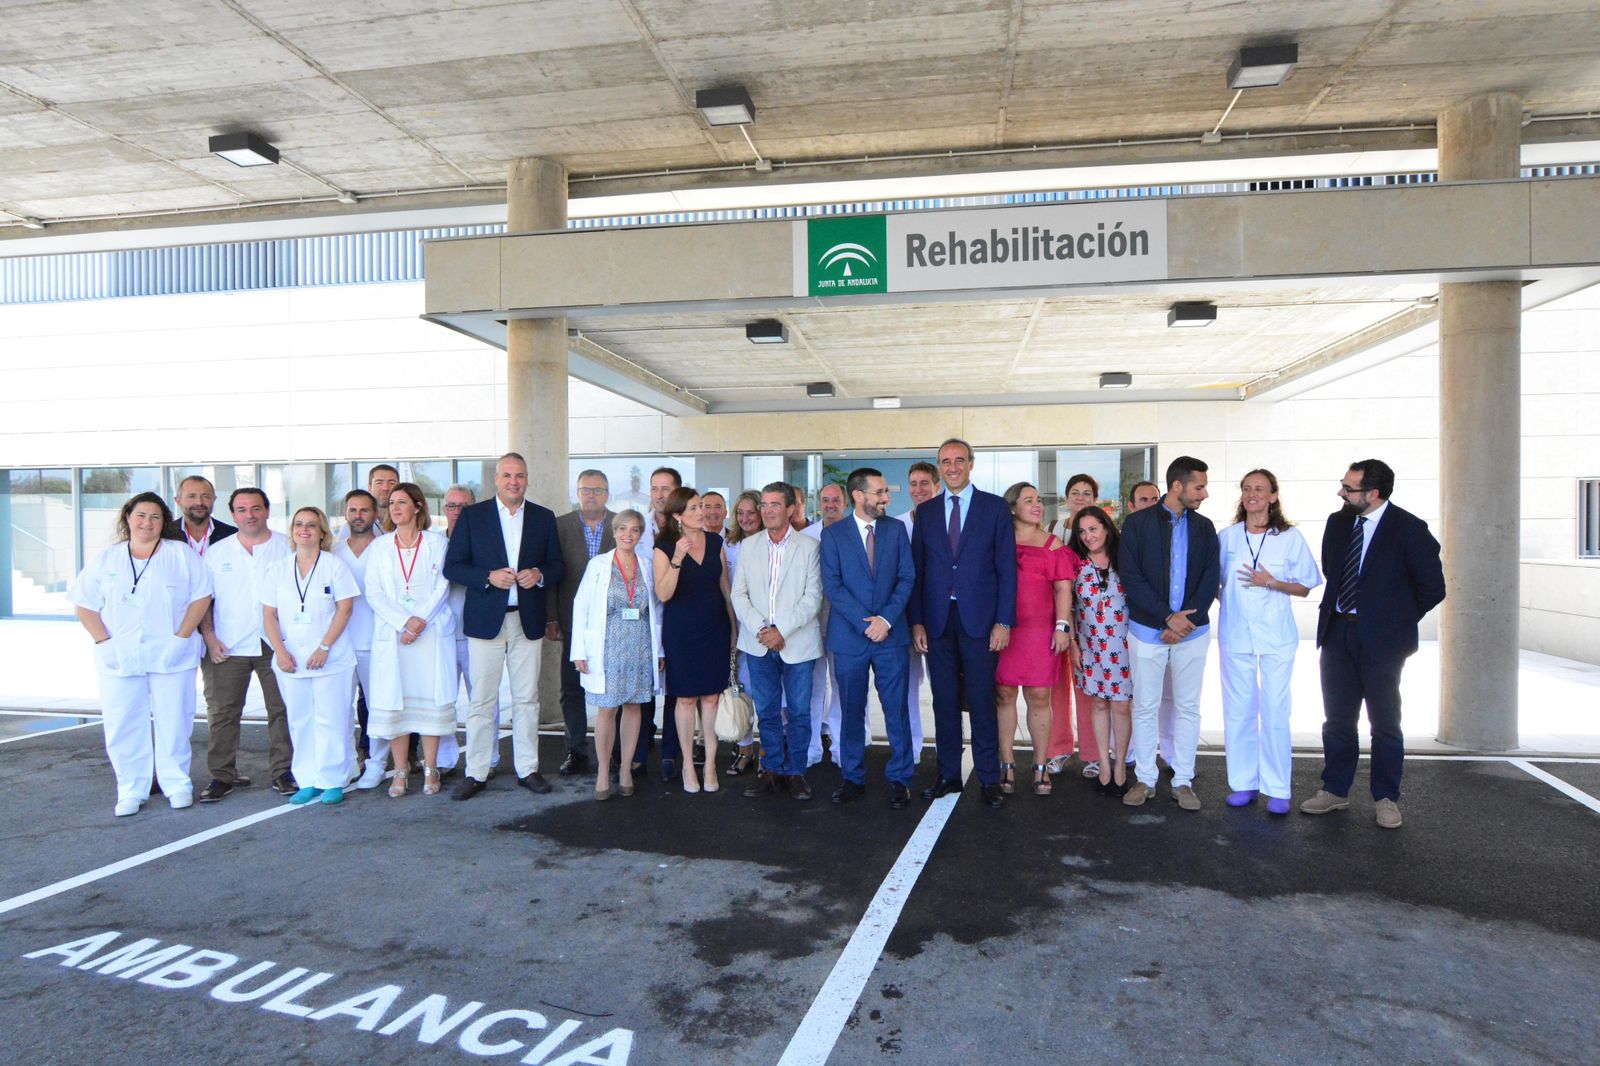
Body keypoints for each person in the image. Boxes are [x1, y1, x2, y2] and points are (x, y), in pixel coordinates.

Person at [1302, 459, 1445, 829]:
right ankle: (1334, 790)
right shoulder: (1338, 522)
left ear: (1374, 493)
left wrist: (1391, 622)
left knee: (1384, 723)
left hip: (1383, 642)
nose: (1341, 493)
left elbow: (1433, 588)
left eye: (1349, 488)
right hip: (1337, 633)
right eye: (1343, 485)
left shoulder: (1410, 529)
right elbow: (1334, 569)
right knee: (1337, 721)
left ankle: (1386, 798)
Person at [70, 493, 213, 817]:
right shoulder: (107, 558)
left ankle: (177, 784)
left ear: (164, 522)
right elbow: (84, 604)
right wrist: (103, 642)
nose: (147, 522)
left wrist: (182, 637)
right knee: (123, 723)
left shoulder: (180, 555)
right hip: (119, 655)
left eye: (155, 517)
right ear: (128, 518)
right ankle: (131, 789)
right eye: (141, 515)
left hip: (171, 654)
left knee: (174, 720)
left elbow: (201, 596)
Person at [442, 452, 564, 801]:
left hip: (527, 622)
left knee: (528, 699)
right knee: (481, 701)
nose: (514, 481)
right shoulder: (473, 517)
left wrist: (539, 575)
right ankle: (476, 771)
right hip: (485, 622)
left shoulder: (543, 517)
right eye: (507, 475)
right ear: (496, 479)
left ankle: (528, 769)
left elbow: (557, 565)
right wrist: (487, 577)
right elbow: (453, 567)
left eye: (520, 476)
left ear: (527, 479)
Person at [910, 438, 1017, 809]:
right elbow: (918, 571)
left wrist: (1004, 621)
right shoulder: (925, 513)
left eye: (959, 460)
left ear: (971, 464)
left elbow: (1006, 569)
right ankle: (948, 775)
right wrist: (917, 622)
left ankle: (988, 778)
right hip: (937, 623)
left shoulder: (995, 507)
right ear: (939, 467)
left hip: (981, 622)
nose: (952, 467)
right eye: (945, 461)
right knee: (943, 702)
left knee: (982, 701)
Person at [1218, 469, 1322, 816]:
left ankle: (1277, 788)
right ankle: (1244, 784)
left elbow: (1306, 585)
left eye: (1260, 489)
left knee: (1276, 711)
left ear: (1273, 496)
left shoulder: (1289, 538)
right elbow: (1215, 584)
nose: (1252, 495)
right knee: (1239, 712)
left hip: (1277, 637)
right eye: (1247, 489)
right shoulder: (1228, 537)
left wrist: (1271, 582)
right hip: (1235, 636)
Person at [1119, 455, 1220, 811]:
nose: (1204, 493)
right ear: (1178, 486)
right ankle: (1145, 779)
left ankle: (1183, 780)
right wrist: (1166, 618)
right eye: (1199, 486)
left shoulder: (1206, 527)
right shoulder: (1137, 524)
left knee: (1188, 708)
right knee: (1145, 706)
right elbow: (1130, 577)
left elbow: (1210, 578)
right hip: (1148, 631)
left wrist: (1183, 623)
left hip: (1191, 634)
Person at [821, 468, 916, 808]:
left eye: (885, 493)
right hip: (850, 639)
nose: (886, 498)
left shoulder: (896, 530)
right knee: (850, 710)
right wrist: (867, 624)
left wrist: (886, 620)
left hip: (891, 636)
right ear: (858, 496)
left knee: (896, 710)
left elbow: (907, 577)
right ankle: (852, 777)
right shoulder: (834, 535)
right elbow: (833, 586)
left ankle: (901, 778)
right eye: (879, 493)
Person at [197, 488, 295, 801]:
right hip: (228, 645)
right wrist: (210, 638)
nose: (249, 515)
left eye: (255, 508)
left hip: (276, 644)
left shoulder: (287, 547)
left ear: (267, 510)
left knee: (282, 710)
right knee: (224, 713)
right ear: (233, 514)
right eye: (241, 509)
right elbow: (204, 600)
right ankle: (222, 776)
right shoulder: (217, 552)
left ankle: (284, 771)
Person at [731, 483, 824, 801]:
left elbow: (813, 598)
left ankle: (795, 771)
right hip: (758, 643)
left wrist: (780, 630)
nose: (767, 510)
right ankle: (771, 769)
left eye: (774, 505)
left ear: (790, 510)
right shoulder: (749, 546)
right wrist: (762, 629)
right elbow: (738, 594)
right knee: (767, 711)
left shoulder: (809, 547)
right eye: (764, 505)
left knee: (799, 712)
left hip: (796, 642)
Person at [261, 507, 359, 806]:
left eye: (312, 525)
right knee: (300, 720)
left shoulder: (334, 566)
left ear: (322, 533)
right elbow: (268, 614)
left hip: (331, 658)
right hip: (291, 660)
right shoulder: (277, 568)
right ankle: (308, 779)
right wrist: (280, 651)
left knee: (332, 719)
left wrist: (324, 647)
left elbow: (345, 609)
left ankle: (333, 779)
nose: (304, 529)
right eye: (299, 525)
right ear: (292, 531)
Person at [365, 484, 458, 798]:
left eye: (402, 502)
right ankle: (401, 769)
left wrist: (419, 621)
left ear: (418, 506)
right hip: (395, 635)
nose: (394, 508)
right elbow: (373, 592)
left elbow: (442, 584)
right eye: (391, 503)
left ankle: (431, 767)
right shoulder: (380, 547)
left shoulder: (436, 543)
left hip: (429, 634)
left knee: (429, 700)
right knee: (397, 702)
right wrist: (404, 622)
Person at [571, 510, 663, 801]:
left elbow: (658, 610)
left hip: (639, 645)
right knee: (607, 709)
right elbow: (581, 606)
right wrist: (579, 651)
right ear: (614, 531)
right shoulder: (598, 565)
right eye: (622, 529)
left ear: (640, 534)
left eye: (634, 530)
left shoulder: (647, 565)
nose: (627, 535)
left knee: (634, 706)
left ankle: (625, 769)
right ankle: (602, 772)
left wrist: (659, 650)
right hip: (607, 646)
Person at [995, 482, 1080, 796]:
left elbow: (1063, 589)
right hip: (1004, 630)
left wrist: (1062, 627)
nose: (1036, 505)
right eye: (1028, 500)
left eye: (1038, 500)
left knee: (1039, 698)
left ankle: (1041, 765)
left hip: (1040, 632)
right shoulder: (998, 541)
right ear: (1013, 507)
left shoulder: (1053, 544)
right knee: (1003, 696)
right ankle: (1007, 764)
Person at [652, 486, 734, 794]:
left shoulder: (715, 541)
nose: (702, 513)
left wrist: (734, 628)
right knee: (685, 698)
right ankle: (688, 763)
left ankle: (710, 763)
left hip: (715, 626)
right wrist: (677, 557)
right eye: (694, 509)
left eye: (702, 507)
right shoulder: (663, 546)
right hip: (681, 631)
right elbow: (663, 594)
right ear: (677, 516)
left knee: (712, 698)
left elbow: (725, 587)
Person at [548, 469, 615, 778]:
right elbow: (551, 576)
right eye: (585, 490)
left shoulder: (620, 524)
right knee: (571, 689)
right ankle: (576, 750)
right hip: (573, 621)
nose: (591, 495)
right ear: (577, 493)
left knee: (613, 691)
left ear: (607, 494)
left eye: (598, 490)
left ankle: (613, 751)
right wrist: (552, 617)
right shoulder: (559, 525)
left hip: (611, 623)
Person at [1069, 506, 1133, 796]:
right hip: (1090, 644)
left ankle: (1121, 764)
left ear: (1106, 528)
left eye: (1093, 529)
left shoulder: (1126, 559)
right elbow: (1066, 606)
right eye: (1082, 532)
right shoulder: (1074, 563)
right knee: (1097, 704)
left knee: (1121, 705)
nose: (1088, 536)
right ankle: (1103, 765)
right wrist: (1072, 645)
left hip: (1125, 644)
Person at [1117, 479, 1175, 775]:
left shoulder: (1177, 532)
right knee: (1135, 695)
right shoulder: (1128, 534)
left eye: (1156, 499)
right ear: (1131, 506)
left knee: (1170, 695)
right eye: (1144, 500)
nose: (1152, 504)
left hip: (1173, 628)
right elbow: (1131, 579)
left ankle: (1170, 753)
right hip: (1136, 627)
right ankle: (1130, 753)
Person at [1044, 472, 1100, 780]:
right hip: (1056, 619)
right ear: (1067, 498)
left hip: (1091, 621)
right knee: (1055, 687)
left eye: (1087, 493)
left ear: (1094, 499)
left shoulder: (1098, 532)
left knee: (1087, 688)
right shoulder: (1051, 530)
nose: (1080, 497)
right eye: (1075, 492)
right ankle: (1059, 748)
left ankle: (1092, 754)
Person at [441, 484, 500, 776]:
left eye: (464, 506)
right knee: (442, 698)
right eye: (452, 506)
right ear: (444, 510)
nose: (458, 512)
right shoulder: (433, 543)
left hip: (477, 631)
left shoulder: (483, 542)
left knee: (483, 698)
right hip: (439, 636)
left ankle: (487, 759)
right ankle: (444, 759)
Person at [335, 490, 386, 789]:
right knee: (338, 708)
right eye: (353, 510)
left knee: (377, 707)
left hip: (376, 641)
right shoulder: (332, 550)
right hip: (340, 643)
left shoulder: (386, 548)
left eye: (364, 510)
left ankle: (377, 763)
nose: (358, 515)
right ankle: (345, 763)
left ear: (375, 514)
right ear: (346, 514)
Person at [637, 466, 684, 776]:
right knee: (642, 692)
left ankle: (670, 752)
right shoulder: (636, 527)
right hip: (642, 621)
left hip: (678, 618)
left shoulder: (686, 529)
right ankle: (638, 752)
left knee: (675, 691)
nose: (659, 494)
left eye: (666, 489)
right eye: (655, 488)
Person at [802, 481, 847, 767]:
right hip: (813, 618)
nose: (830, 505)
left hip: (845, 618)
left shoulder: (855, 532)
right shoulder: (806, 536)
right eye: (825, 500)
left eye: (835, 500)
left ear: (845, 502)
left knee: (843, 685)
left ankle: (844, 747)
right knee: (814, 685)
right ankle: (812, 749)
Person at [896, 461, 938, 762]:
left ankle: (948, 749)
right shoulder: (898, 525)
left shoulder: (950, 522)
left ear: (937, 486)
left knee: (944, 690)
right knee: (907, 689)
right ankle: (912, 749)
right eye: (913, 483)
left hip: (940, 619)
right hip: (905, 620)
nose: (919, 489)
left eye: (925, 483)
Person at [722, 490, 764, 775]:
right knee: (742, 690)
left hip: (765, 629)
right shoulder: (728, 545)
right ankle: (745, 748)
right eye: (741, 513)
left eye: (751, 512)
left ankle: (768, 753)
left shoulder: (771, 542)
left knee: (768, 695)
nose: (746, 518)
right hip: (738, 629)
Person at [168, 475, 235, 554]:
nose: (199, 502)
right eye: (192, 496)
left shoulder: (232, 535)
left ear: (214, 499)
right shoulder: (165, 534)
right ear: (178, 501)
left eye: (205, 496)